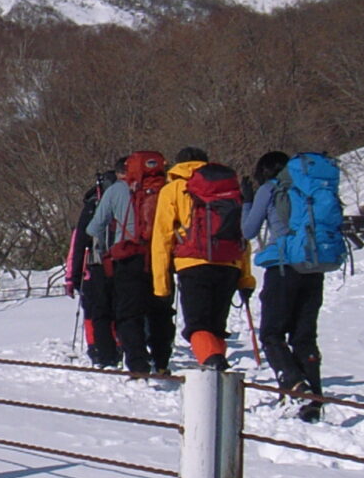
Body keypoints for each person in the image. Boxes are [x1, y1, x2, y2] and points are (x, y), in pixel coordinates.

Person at [245, 149, 345, 420]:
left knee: (272, 334)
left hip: (284, 265)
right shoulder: (312, 187)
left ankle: (294, 384)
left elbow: (247, 230)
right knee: (304, 335)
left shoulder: (270, 189)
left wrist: (246, 201)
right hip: (314, 263)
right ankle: (313, 396)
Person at [148, 147, 252, 373]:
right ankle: (216, 369)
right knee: (216, 326)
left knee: (197, 326)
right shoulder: (228, 188)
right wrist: (246, 277)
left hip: (192, 264)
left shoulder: (173, 189)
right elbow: (242, 234)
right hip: (229, 264)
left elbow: (162, 238)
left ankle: (214, 364)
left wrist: (161, 285)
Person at [88, 149, 175, 378]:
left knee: (129, 314)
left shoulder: (116, 190)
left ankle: (138, 366)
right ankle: (162, 362)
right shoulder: (167, 186)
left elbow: (95, 227)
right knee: (161, 312)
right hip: (161, 256)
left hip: (129, 258)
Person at [65, 161, 123, 368]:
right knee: (119, 309)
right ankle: (118, 346)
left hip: (95, 266)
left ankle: (97, 349)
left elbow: (79, 241)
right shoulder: (129, 200)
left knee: (94, 311)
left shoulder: (93, 204)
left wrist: (72, 277)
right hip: (126, 263)